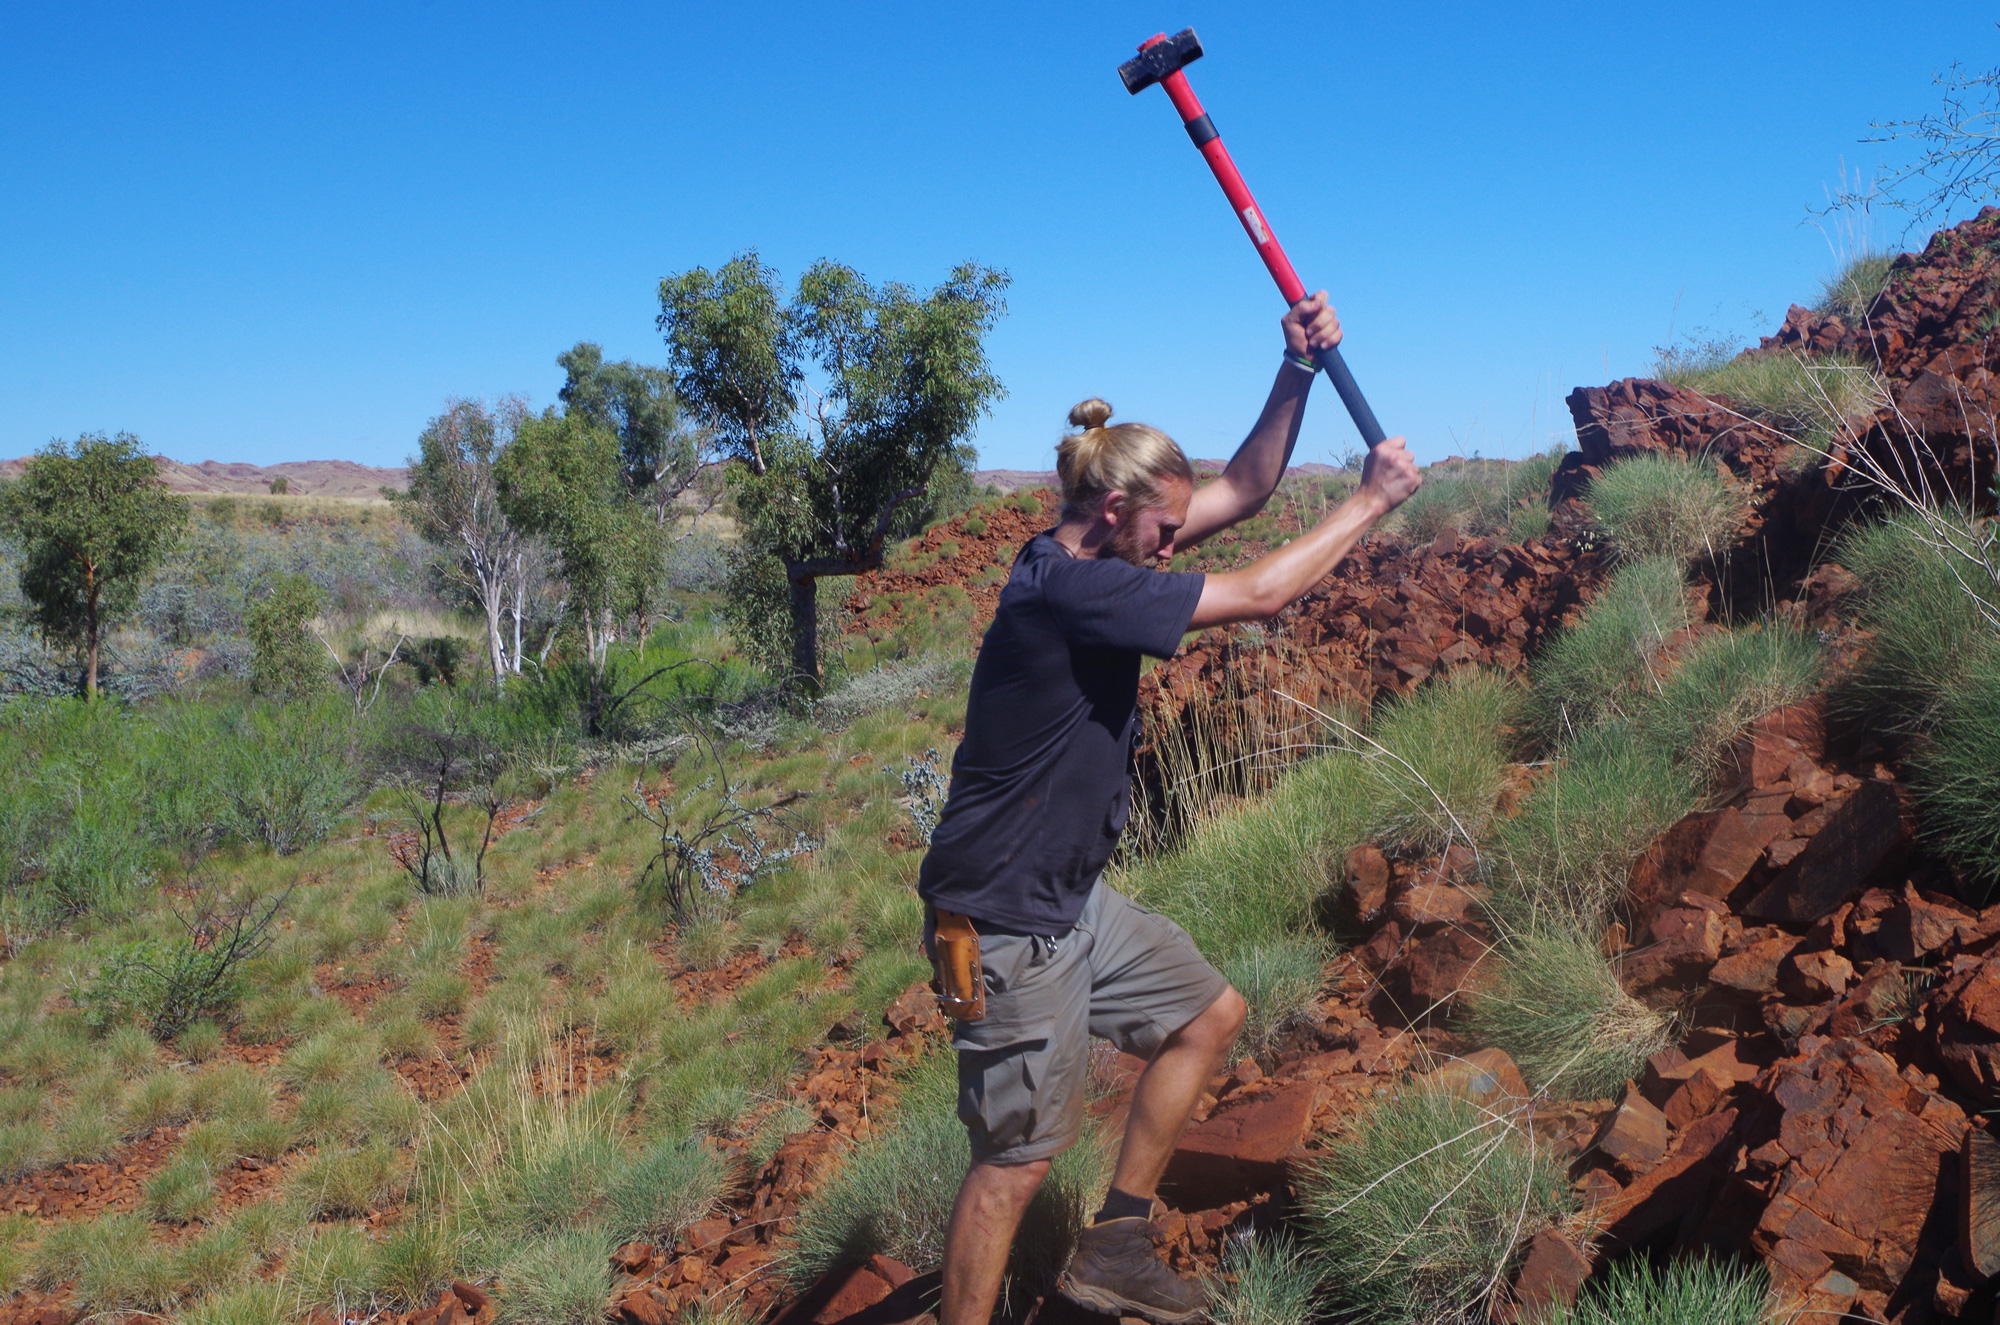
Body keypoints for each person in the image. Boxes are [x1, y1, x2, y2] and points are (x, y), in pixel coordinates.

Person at [917, 293, 1422, 1325]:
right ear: (1114, 513)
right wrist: (1368, 503)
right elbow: (1261, 595)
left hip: (1065, 898)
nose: (1167, 545)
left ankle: (1111, 1246)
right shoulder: (1072, 588)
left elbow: (1241, 486)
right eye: (1158, 529)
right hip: (1005, 917)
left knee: (1206, 1015)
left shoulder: (1103, 543)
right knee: (1014, 1164)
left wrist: (1293, 370)